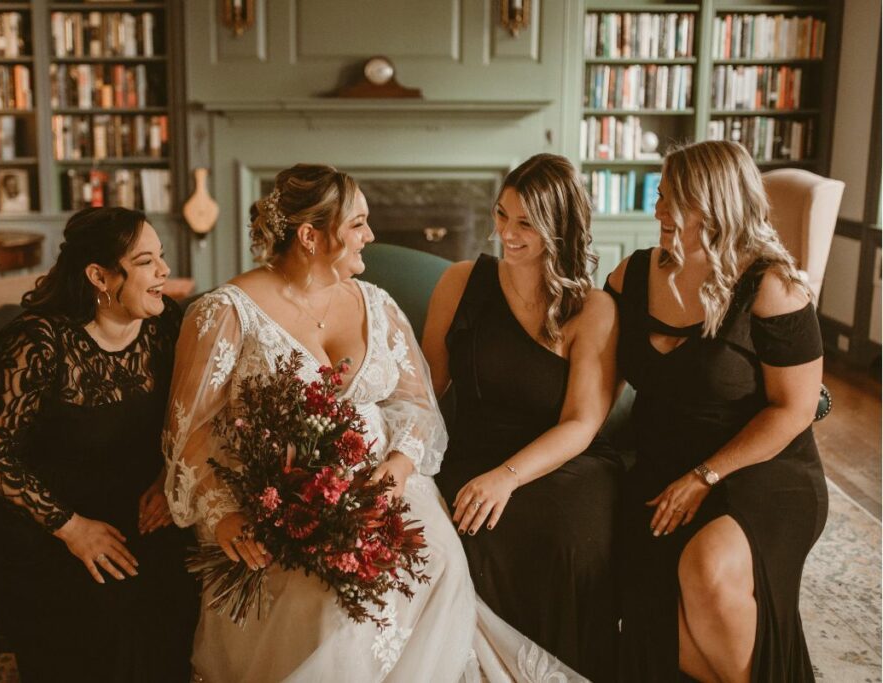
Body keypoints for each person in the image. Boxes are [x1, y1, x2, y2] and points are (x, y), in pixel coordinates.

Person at [163, 163, 584, 682]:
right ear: (311, 236)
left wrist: (399, 468)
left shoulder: (378, 305)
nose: (372, 236)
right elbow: (192, 431)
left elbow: (417, 403)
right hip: (282, 500)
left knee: (432, 559)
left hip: (389, 485)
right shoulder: (226, 312)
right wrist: (224, 514)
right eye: (358, 224)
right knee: (332, 604)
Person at [0, 207, 198, 682]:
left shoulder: (164, 325)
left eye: (161, 257)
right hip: (25, 501)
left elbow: (184, 414)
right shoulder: (36, 342)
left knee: (181, 586)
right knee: (107, 616)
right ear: (99, 276)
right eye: (146, 262)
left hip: (114, 479)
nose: (164, 271)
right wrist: (72, 528)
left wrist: (167, 476)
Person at [604, 140, 828, 682]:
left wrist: (706, 475)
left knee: (706, 570)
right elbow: (592, 379)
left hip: (760, 468)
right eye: (660, 196)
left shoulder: (773, 288)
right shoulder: (628, 277)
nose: (658, 211)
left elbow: (796, 409)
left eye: (674, 201)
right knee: (659, 618)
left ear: (717, 204)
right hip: (661, 468)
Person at [423, 153, 621, 682]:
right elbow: (424, 388)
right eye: (502, 214)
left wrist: (507, 478)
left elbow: (582, 422)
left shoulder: (592, 308)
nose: (506, 233)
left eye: (526, 222)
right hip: (471, 453)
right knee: (464, 528)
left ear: (560, 227)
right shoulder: (460, 282)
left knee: (564, 536)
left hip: (562, 462)